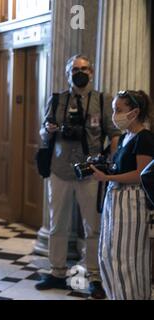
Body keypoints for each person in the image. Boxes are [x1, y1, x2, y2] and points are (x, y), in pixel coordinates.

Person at [35, 54, 121, 299]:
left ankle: (95, 275)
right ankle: (57, 271)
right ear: (67, 73)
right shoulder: (57, 99)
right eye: (74, 69)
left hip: (90, 171)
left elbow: (113, 133)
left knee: (92, 226)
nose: (79, 73)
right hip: (60, 169)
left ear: (91, 72)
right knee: (57, 224)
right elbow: (43, 131)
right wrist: (49, 130)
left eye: (83, 68)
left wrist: (110, 164)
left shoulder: (102, 100)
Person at [91, 90, 154, 300]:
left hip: (132, 203)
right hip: (116, 200)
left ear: (134, 112)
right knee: (108, 255)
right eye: (113, 110)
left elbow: (140, 175)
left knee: (127, 258)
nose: (114, 115)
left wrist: (107, 179)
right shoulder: (127, 137)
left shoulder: (144, 138)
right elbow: (121, 168)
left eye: (119, 110)